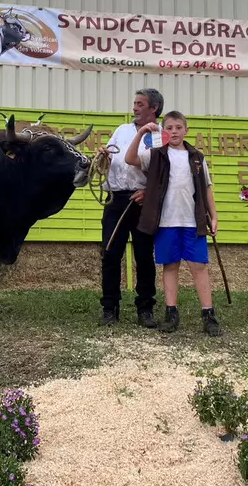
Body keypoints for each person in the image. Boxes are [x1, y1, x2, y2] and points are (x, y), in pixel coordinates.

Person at [124, 110, 221, 336]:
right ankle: (171, 313)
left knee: (199, 266)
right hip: (166, 222)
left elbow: (206, 188)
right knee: (170, 266)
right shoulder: (156, 154)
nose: (174, 131)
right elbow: (130, 159)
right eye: (169, 127)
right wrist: (140, 134)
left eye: (178, 127)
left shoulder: (197, 157)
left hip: (192, 221)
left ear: (186, 130)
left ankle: (209, 314)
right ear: (162, 130)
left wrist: (213, 216)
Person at [98, 88, 164, 328]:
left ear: (153, 108)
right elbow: (113, 155)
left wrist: (149, 192)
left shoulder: (159, 135)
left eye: (140, 104)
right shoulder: (122, 130)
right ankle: (109, 307)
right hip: (116, 199)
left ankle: (145, 307)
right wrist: (104, 155)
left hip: (141, 202)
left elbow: (163, 172)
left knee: (144, 257)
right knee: (110, 253)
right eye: (134, 103)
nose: (134, 108)